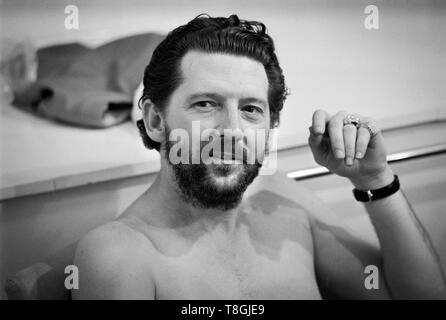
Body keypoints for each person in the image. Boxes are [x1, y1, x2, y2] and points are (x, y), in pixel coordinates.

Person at [72, 14, 445, 300]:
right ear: (155, 120)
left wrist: (375, 180)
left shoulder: (284, 204)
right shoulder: (119, 255)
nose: (232, 130)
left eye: (251, 109)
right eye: (206, 103)